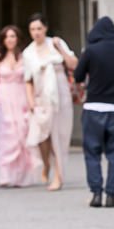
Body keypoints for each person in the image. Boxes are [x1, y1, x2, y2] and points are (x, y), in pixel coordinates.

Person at [73, 16, 114, 208]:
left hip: (93, 108)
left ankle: (96, 193)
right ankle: (111, 195)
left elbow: (78, 76)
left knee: (92, 152)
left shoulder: (90, 51)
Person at [22, 13, 78, 191]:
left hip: (59, 94)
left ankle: (59, 176)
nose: (36, 32)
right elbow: (28, 80)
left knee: (58, 135)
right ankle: (46, 163)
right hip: (41, 96)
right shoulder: (28, 52)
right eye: (32, 29)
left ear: (45, 28)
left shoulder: (56, 43)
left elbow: (73, 64)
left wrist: (60, 49)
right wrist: (30, 101)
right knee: (40, 135)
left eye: (39, 28)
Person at [0, 25, 36, 187]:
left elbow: (30, 79)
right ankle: (6, 175)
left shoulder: (25, 57)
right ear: (3, 40)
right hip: (4, 97)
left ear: (18, 39)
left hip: (21, 95)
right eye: (7, 37)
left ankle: (22, 176)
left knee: (22, 133)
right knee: (7, 134)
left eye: (13, 36)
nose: (10, 40)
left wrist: (32, 100)